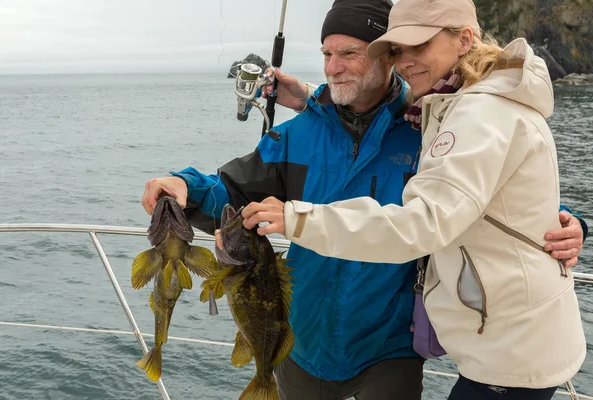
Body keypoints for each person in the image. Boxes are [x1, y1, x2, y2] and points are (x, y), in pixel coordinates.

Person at [240, 0, 588, 398]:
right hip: (507, 342)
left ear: (464, 39)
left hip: (511, 354)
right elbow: (500, 193)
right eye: (398, 50)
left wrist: (298, 219)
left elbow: (421, 222)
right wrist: (314, 98)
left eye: (419, 46)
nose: (406, 62)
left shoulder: (479, 114)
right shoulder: (459, 102)